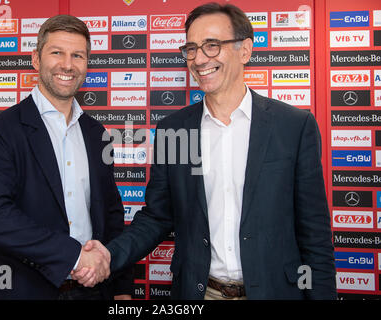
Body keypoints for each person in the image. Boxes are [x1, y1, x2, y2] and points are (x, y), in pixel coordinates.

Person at [75, 3, 336, 300]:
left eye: (212, 46)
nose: (199, 59)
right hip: (199, 293)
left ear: (245, 50)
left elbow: (315, 236)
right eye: (191, 48)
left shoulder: (293, 126)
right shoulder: (174, 130)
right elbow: (157, 217)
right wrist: (109, 255)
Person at [0, 14, 132, 300]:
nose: (67, 64)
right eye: (57, 52)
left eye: (77, 55)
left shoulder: (96, 134)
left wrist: (121, 289)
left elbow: (111, 214)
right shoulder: (1, 131)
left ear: (86, 64)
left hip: (92, 292)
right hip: (21, 290)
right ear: (36, 59)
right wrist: (73, 256)